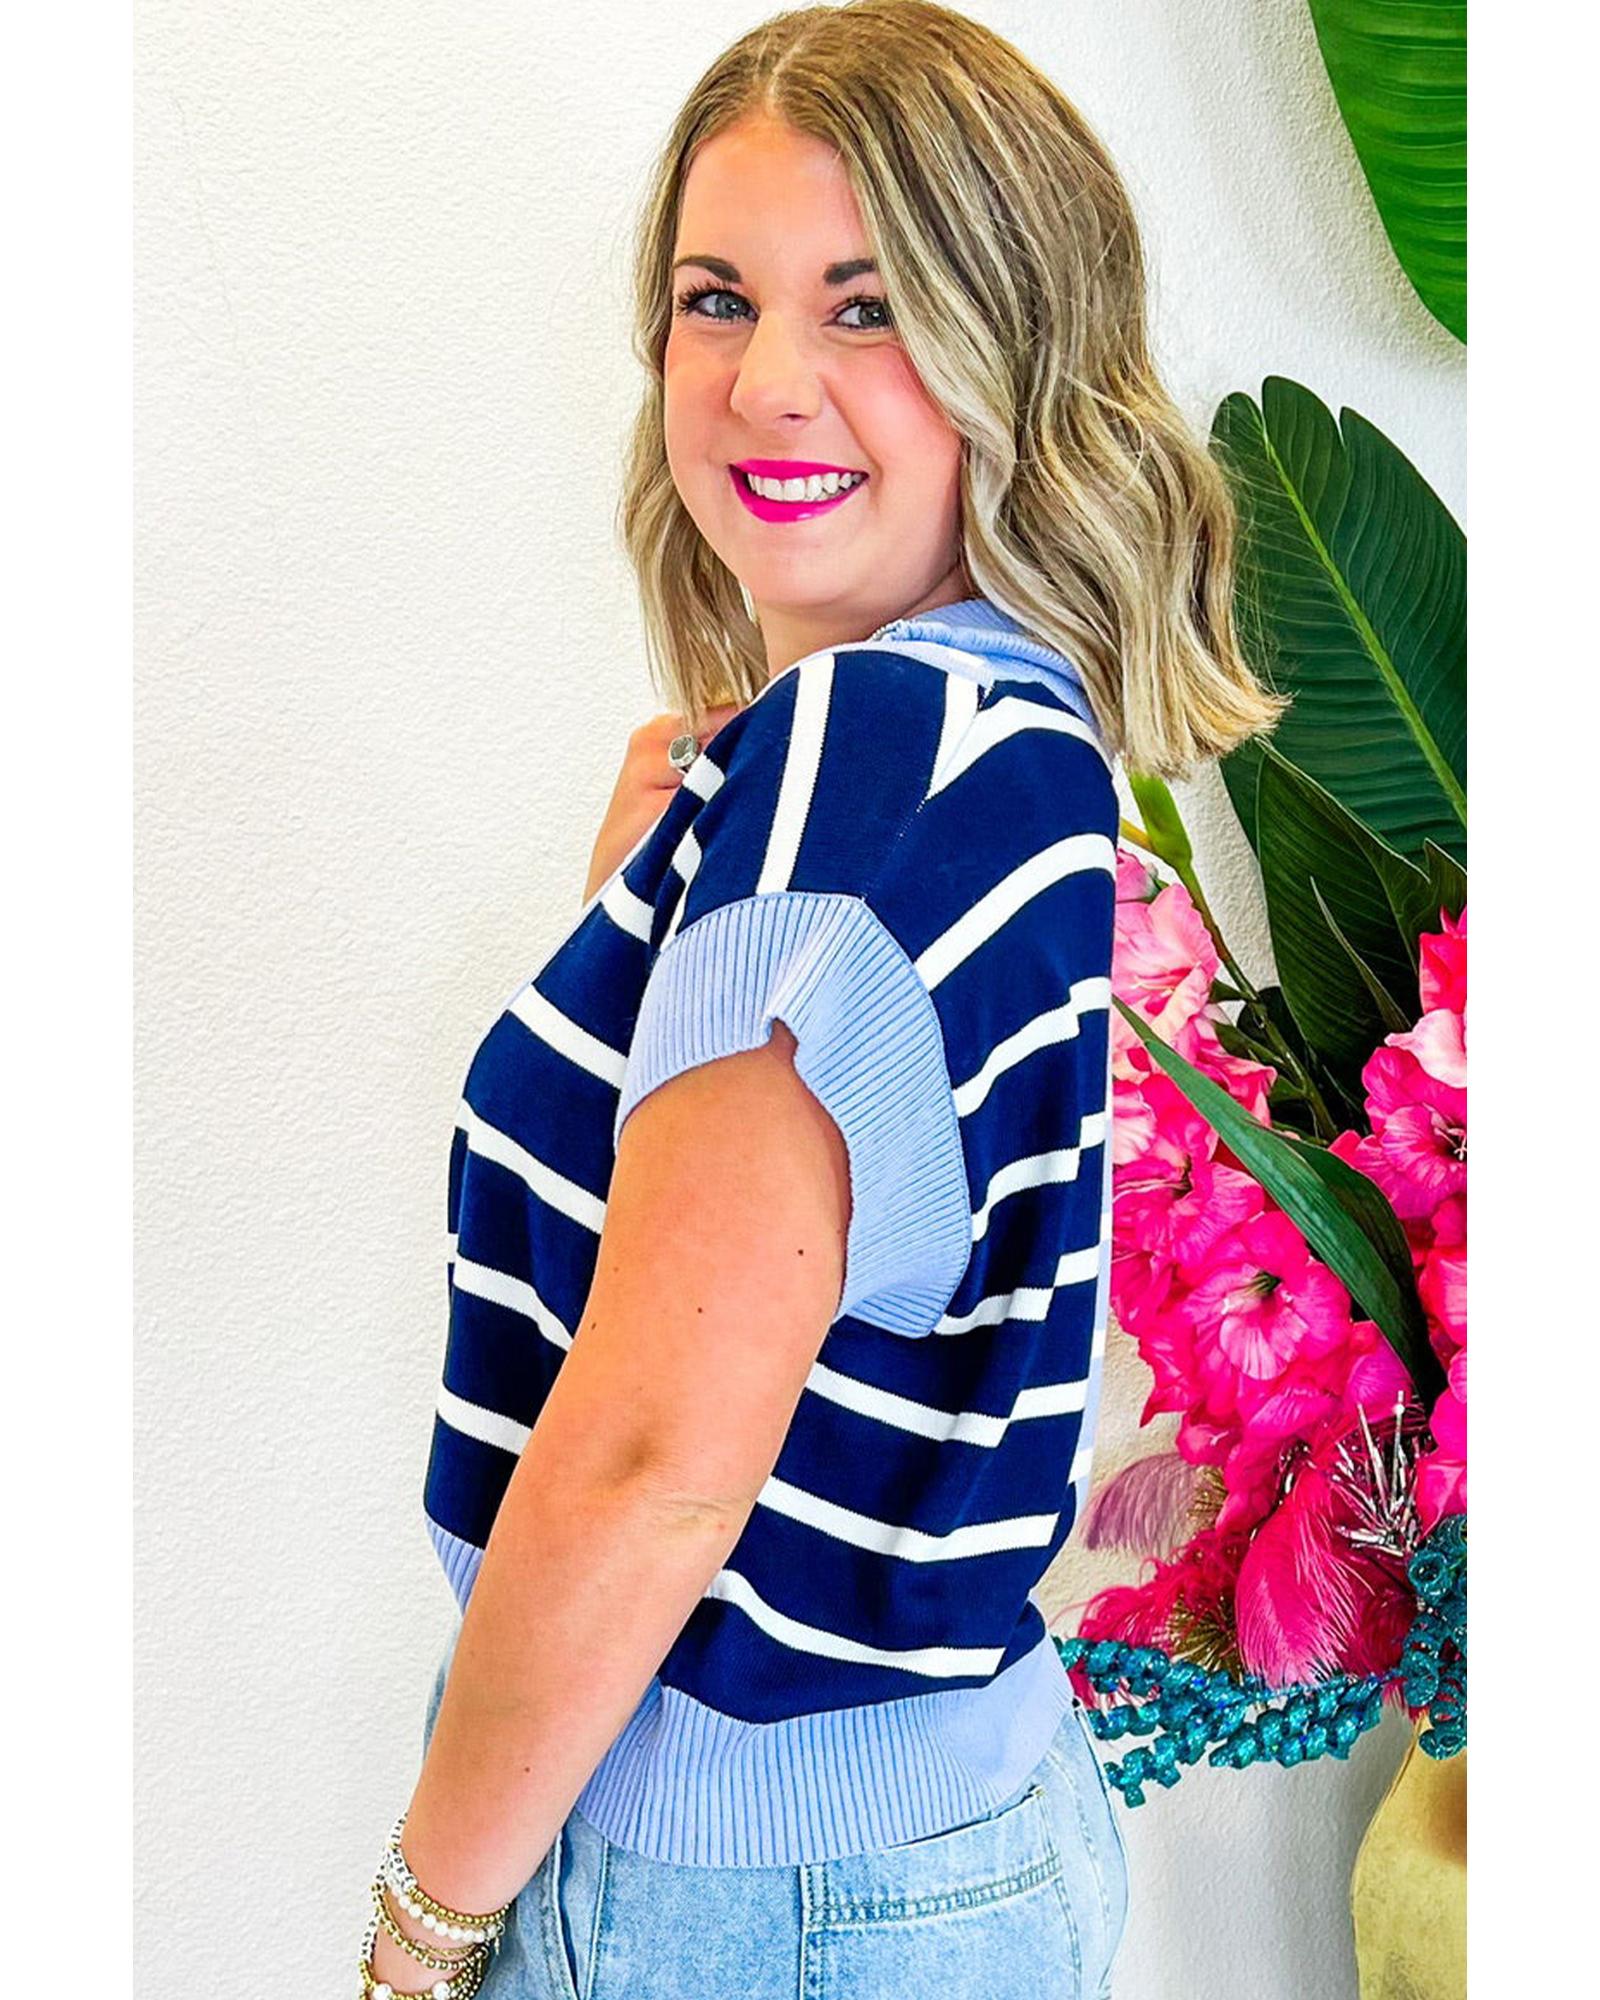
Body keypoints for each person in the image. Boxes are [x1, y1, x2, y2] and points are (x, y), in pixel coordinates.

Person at [356, 4, 1285, 1995]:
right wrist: (650, 924)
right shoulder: (1012, 742)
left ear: (1015, 349)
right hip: (924, 1839)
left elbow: (655, 1466)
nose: (766, 382)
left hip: (743, 1892)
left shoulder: (866, 757)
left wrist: (420, 1924)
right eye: (718, 300)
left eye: (868, 307)